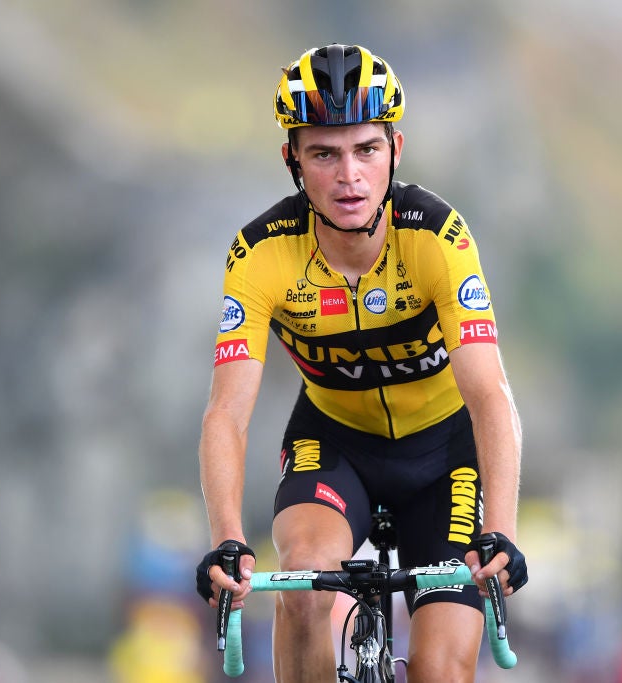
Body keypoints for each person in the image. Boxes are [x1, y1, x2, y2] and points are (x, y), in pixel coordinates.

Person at [194, 43, 528, 683]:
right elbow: (226, 412)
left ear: (394, 150)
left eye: (366, 150)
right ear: (292, 159)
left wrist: (504, 532)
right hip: (335, 445)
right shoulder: (260, 254)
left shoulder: (436, 236)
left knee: (438, 668)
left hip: (445, 457)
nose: (349, 176)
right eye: (324, 153)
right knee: (303, 590)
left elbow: (490, 394)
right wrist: (228, 540)